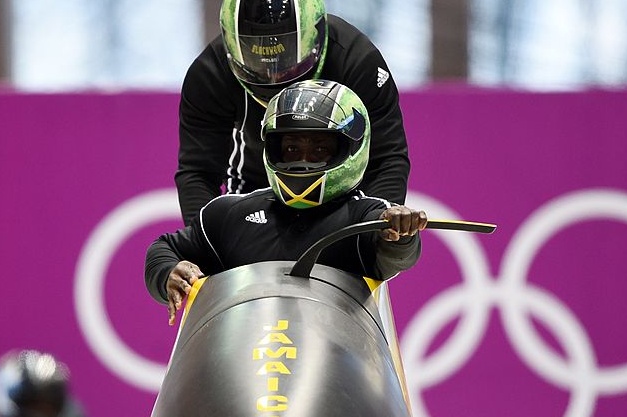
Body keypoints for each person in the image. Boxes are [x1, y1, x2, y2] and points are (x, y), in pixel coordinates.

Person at [147, 79, 427, 325]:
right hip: (243, 375)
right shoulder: (228, 215)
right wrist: (168, 273)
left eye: (319, 149)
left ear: (351, 149)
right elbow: (165, 248)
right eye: (292, 148)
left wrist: (400, 231)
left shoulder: (366, 218)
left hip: (337, 377)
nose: (303, 161)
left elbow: (397, 254)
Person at [175, 0, 410, 224]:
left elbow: (386, 157)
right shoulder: (209, 73)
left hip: (346, 203)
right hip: (256, 196)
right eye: (258, 61)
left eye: (284, 56)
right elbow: (199, 171)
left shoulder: (358, 60)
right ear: (232, 45)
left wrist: (380, 223)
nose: (273, 74)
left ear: (315, 34)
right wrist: (202, 246)